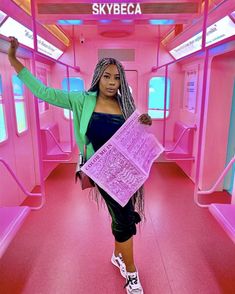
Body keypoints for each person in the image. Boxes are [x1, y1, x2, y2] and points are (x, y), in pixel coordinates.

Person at [8, 36, 152, 294]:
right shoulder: (81, 100)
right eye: (107, 76)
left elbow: (130, 134)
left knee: (123, 217)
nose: (112, 82)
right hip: (100, 170)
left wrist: (143, 121)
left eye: (117, 77)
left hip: (125, 170)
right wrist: (13, 60)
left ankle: (118, 255)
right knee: (123, 218)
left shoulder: (124, 104)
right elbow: (44, 92)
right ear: (98, 77)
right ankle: (131, 273)